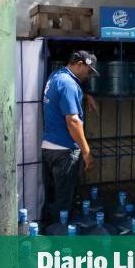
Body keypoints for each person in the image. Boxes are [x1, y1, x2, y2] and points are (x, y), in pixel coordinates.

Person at [41, 50, 99, 223]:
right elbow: (73, 121)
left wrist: (85, 95)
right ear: (80, 64)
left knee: (52, 198)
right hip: (65, 151)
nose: (89, 76)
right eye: (89, 71)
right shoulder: (69, 85)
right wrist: (87, 152)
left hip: (49, 148)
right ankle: (60, 241)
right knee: (64, 202)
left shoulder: (56, 76)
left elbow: (63, 95)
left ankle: (47, 234)